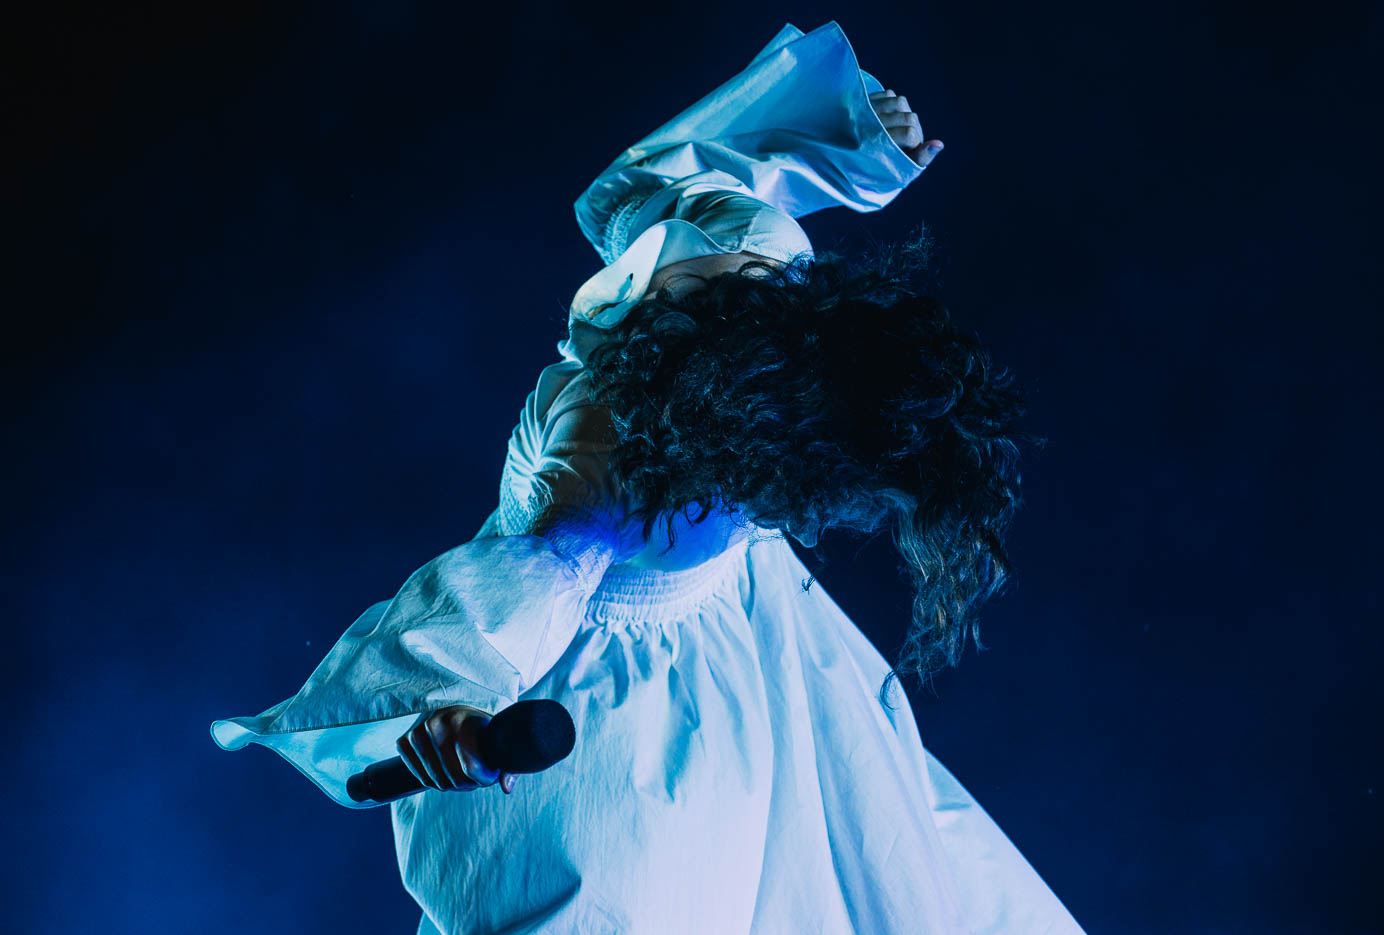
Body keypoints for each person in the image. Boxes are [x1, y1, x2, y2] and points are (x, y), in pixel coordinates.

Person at [211, 20, 1087, 934]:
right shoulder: (608, 465)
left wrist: (849, 140)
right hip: (621, 727)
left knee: (863, 871)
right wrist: (445, 708)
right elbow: (516, 587)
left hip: (752, 644)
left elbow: (649, 184)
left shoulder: (763, 254)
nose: (838, 517)